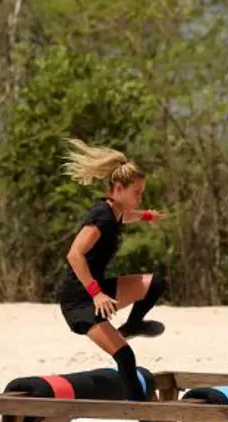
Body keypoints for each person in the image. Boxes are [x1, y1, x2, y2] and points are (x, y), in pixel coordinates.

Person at [54, 138, 167, 405]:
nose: (140, 197)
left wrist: (147, 216)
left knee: (156, 283)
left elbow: (125, 217)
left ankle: (133, 325)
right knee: (125, 357)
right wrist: (96, 295)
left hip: (97, 289)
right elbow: (74, 254)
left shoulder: (115, 211)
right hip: (79, 300)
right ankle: (143, 421)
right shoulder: (101, 215)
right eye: (137, 192)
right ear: (118, 188)